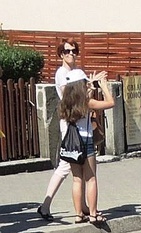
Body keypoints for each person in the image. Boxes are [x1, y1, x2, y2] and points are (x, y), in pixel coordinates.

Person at [37, 39, 88, 222]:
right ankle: (45, 206)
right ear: (61, 54)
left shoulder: (75, 72)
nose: (72, 54)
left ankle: (81, 206)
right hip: (70, 124)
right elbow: (71, 96)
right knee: (67, 165)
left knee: (78, 165)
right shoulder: (62, 73)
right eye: (67, 51)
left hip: (77, 122)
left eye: (74, 51)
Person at [58, 69, 114, 224]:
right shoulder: (87, 103)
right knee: (91, 179)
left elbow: (81, 90)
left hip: (71, 144)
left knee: (77, 179)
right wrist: (104, 88)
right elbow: (110, 103)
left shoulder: (66, 102)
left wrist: (90, 83)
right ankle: (93, 214)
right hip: (86, 142)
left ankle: (78, 214)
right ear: (80, 85)